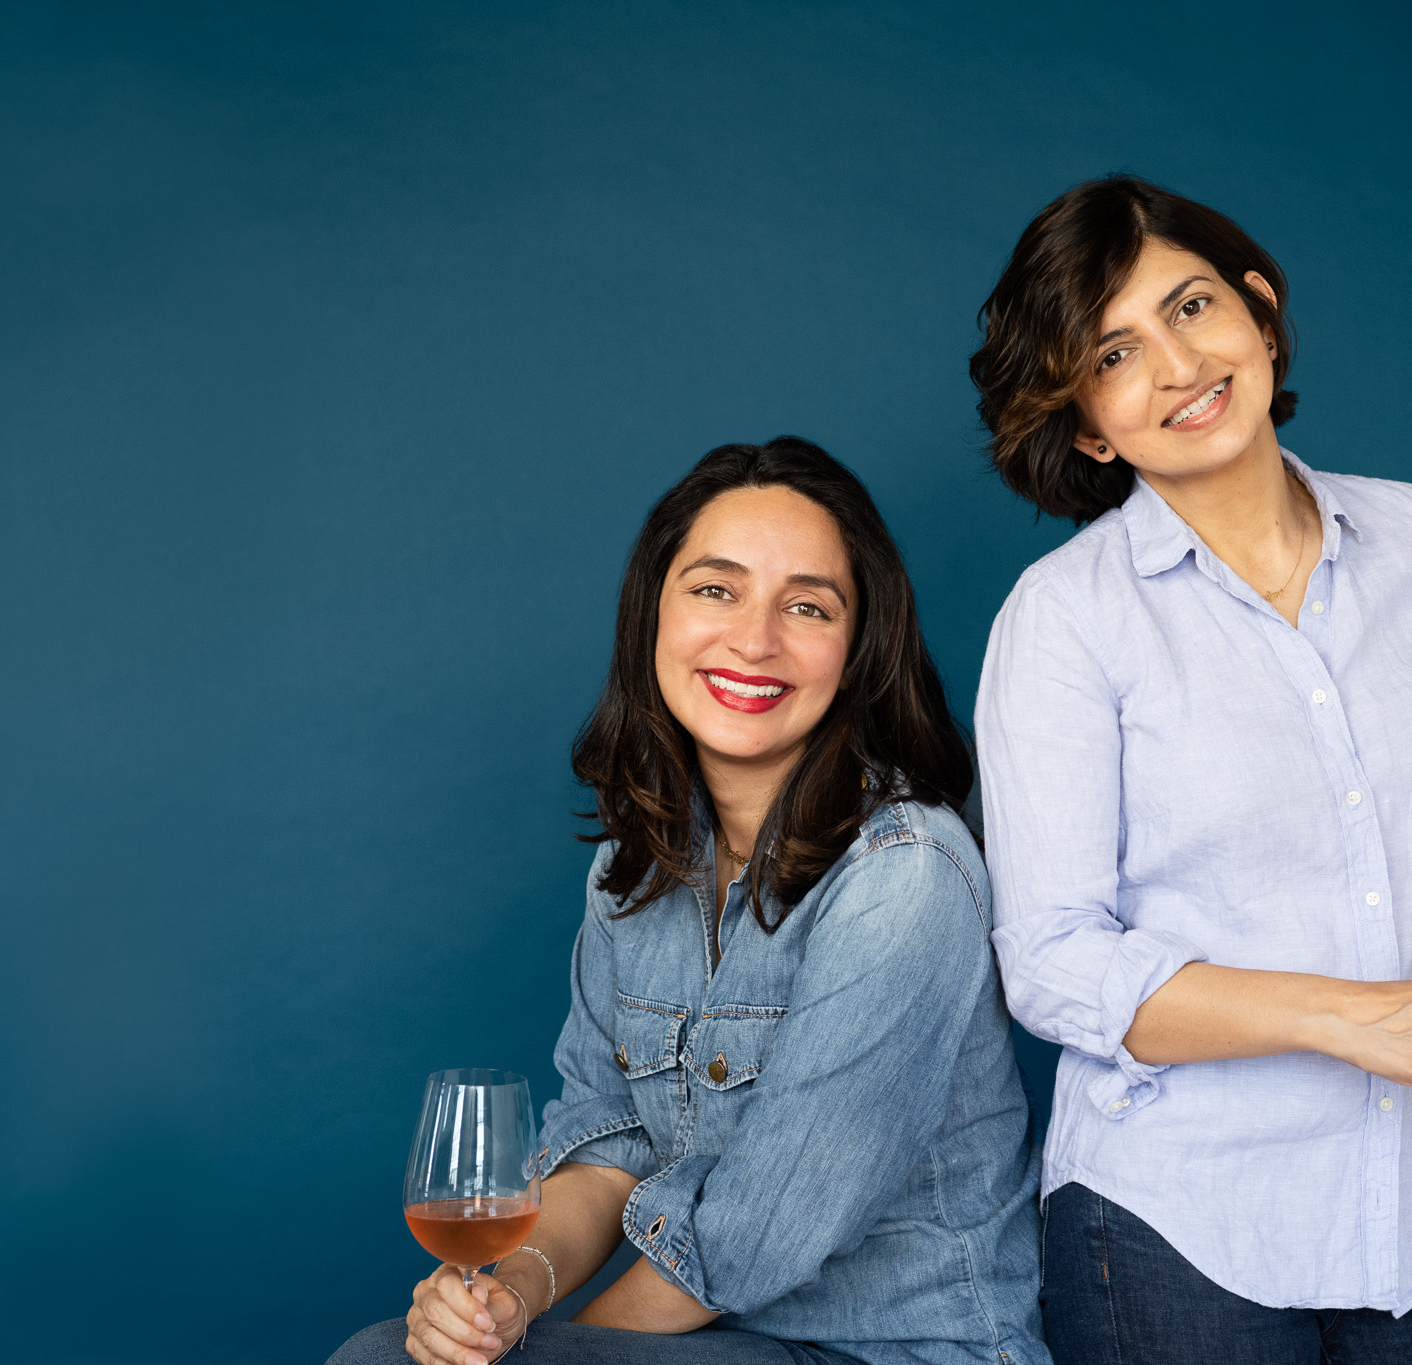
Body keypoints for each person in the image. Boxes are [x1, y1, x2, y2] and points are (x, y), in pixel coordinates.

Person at [970, 176, 1412, 1363]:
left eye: (1189, 307)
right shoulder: (1064, 617)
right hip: (1179, 1222)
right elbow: (1052, 963)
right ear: (1089, 426)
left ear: (1260, 311)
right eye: (1114, 354)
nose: (1177, 365)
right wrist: (1355, 1020)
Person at [331, 438, 1047, 1365]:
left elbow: (758, 1233)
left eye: (807, 606)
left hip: (894, 1349)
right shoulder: (636, 864)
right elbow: (606, 1141)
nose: (755, 640)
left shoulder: (905, 873)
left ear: (858, 648)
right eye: (716, 589)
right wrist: (510, 1298)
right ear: (653, 615)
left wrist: (543, 1353)